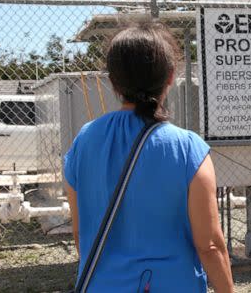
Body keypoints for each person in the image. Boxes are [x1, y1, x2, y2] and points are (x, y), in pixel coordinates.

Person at [64, 23, 233, 292]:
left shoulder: (84, 141)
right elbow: (210, 244)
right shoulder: (188, 148)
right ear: (170, 76)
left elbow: (80, 234)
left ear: (113, 81)